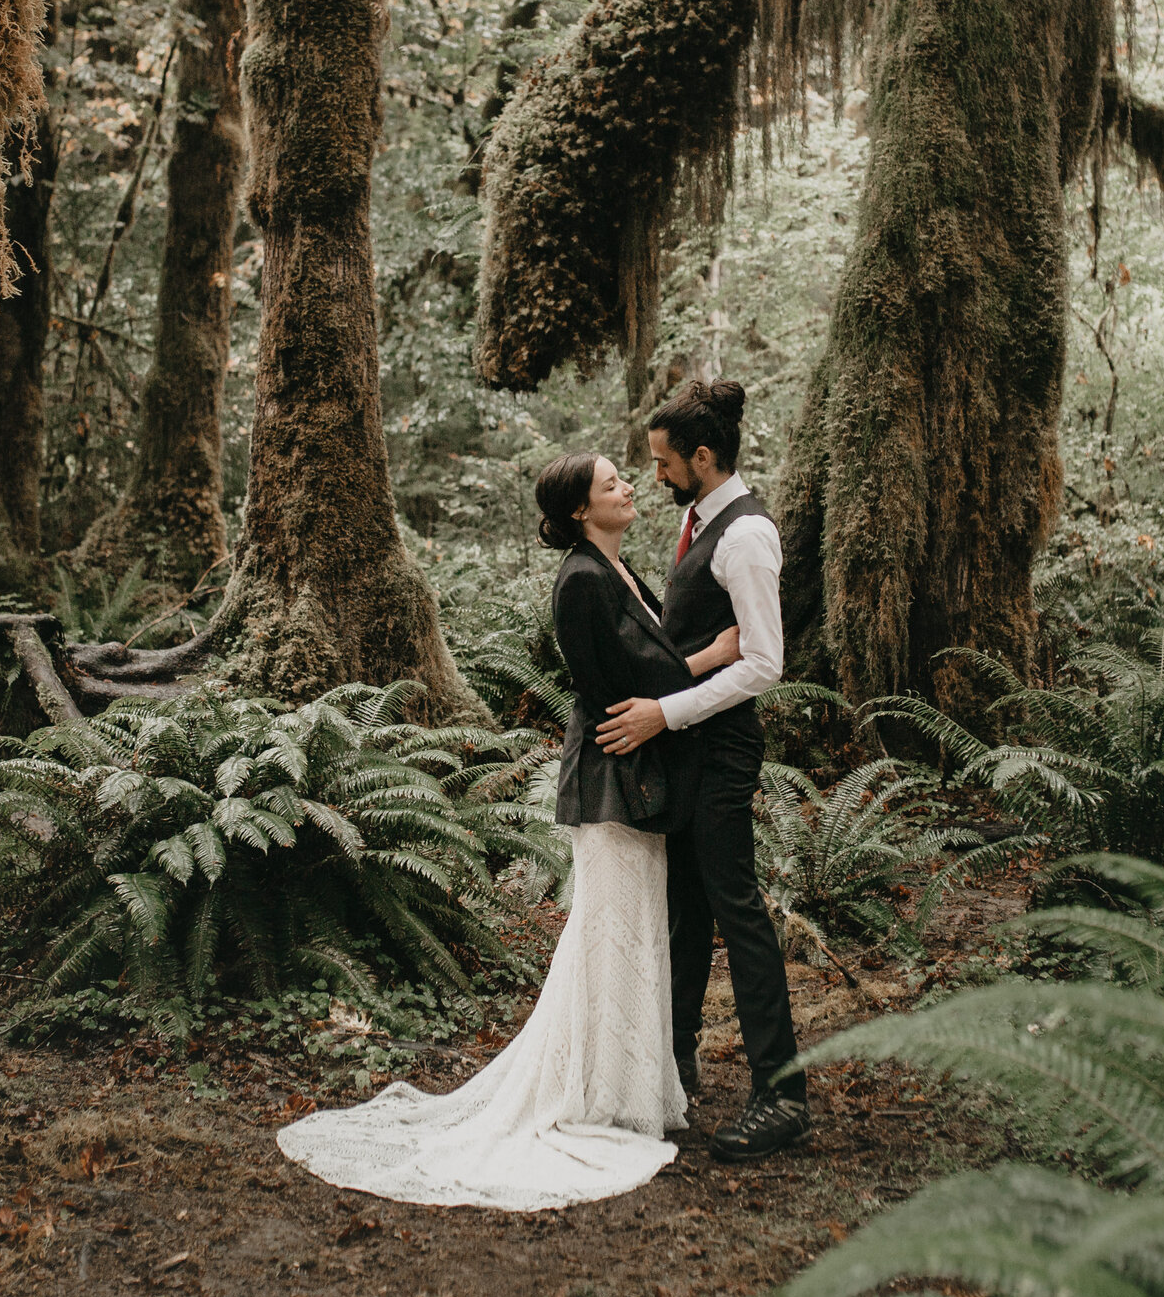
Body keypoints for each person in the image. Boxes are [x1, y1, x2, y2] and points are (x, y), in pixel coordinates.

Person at [275, 453, 742, 1209]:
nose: (629, 487)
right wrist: (712, 658)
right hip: (611, 784)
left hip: (639, 782)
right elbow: (619, 685)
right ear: (582, 511)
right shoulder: (582, 581)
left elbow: (644, 665)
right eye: (612, 482)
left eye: (625, 476)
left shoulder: (618, 571)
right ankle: (593, 1100)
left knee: (629, 930)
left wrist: (682, 673)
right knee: (609, 931)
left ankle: (625, 1090)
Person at [594, 380, 809, 1163]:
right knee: (685, 909)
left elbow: (765, 663)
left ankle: (781, 1094)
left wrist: (666, 712)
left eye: (663, 462)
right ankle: (673, 1068)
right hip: (686, 746)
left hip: (720, 751)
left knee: (736, 909)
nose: (654, 475)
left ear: (704, 457)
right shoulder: (699, 518)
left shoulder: (747, 537)